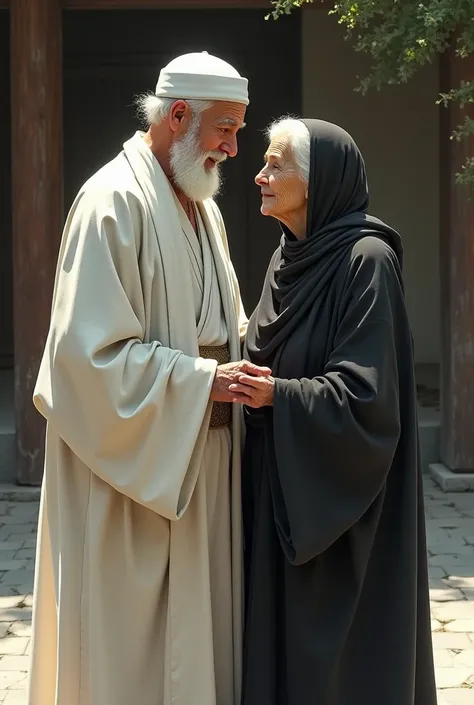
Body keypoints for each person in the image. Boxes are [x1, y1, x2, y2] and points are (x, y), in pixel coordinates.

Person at [28, 51, 270, 705]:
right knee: (128, 662)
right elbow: (86, 360)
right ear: (179, 116)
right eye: (226, 129)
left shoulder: (203, 207)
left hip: (205, 466)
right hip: (133, 478)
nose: (234, 147)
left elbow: (226, 325)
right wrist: (201, 383)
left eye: (239, 130)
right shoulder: (111, 201)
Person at [230, 118, 437, 705]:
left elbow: (369, 397)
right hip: (283, 490)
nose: (260, 175)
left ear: (320, 182)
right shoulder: (287, 258)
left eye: (277, 166)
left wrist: (279, 396)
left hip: (343, 502)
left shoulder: (365, 261)